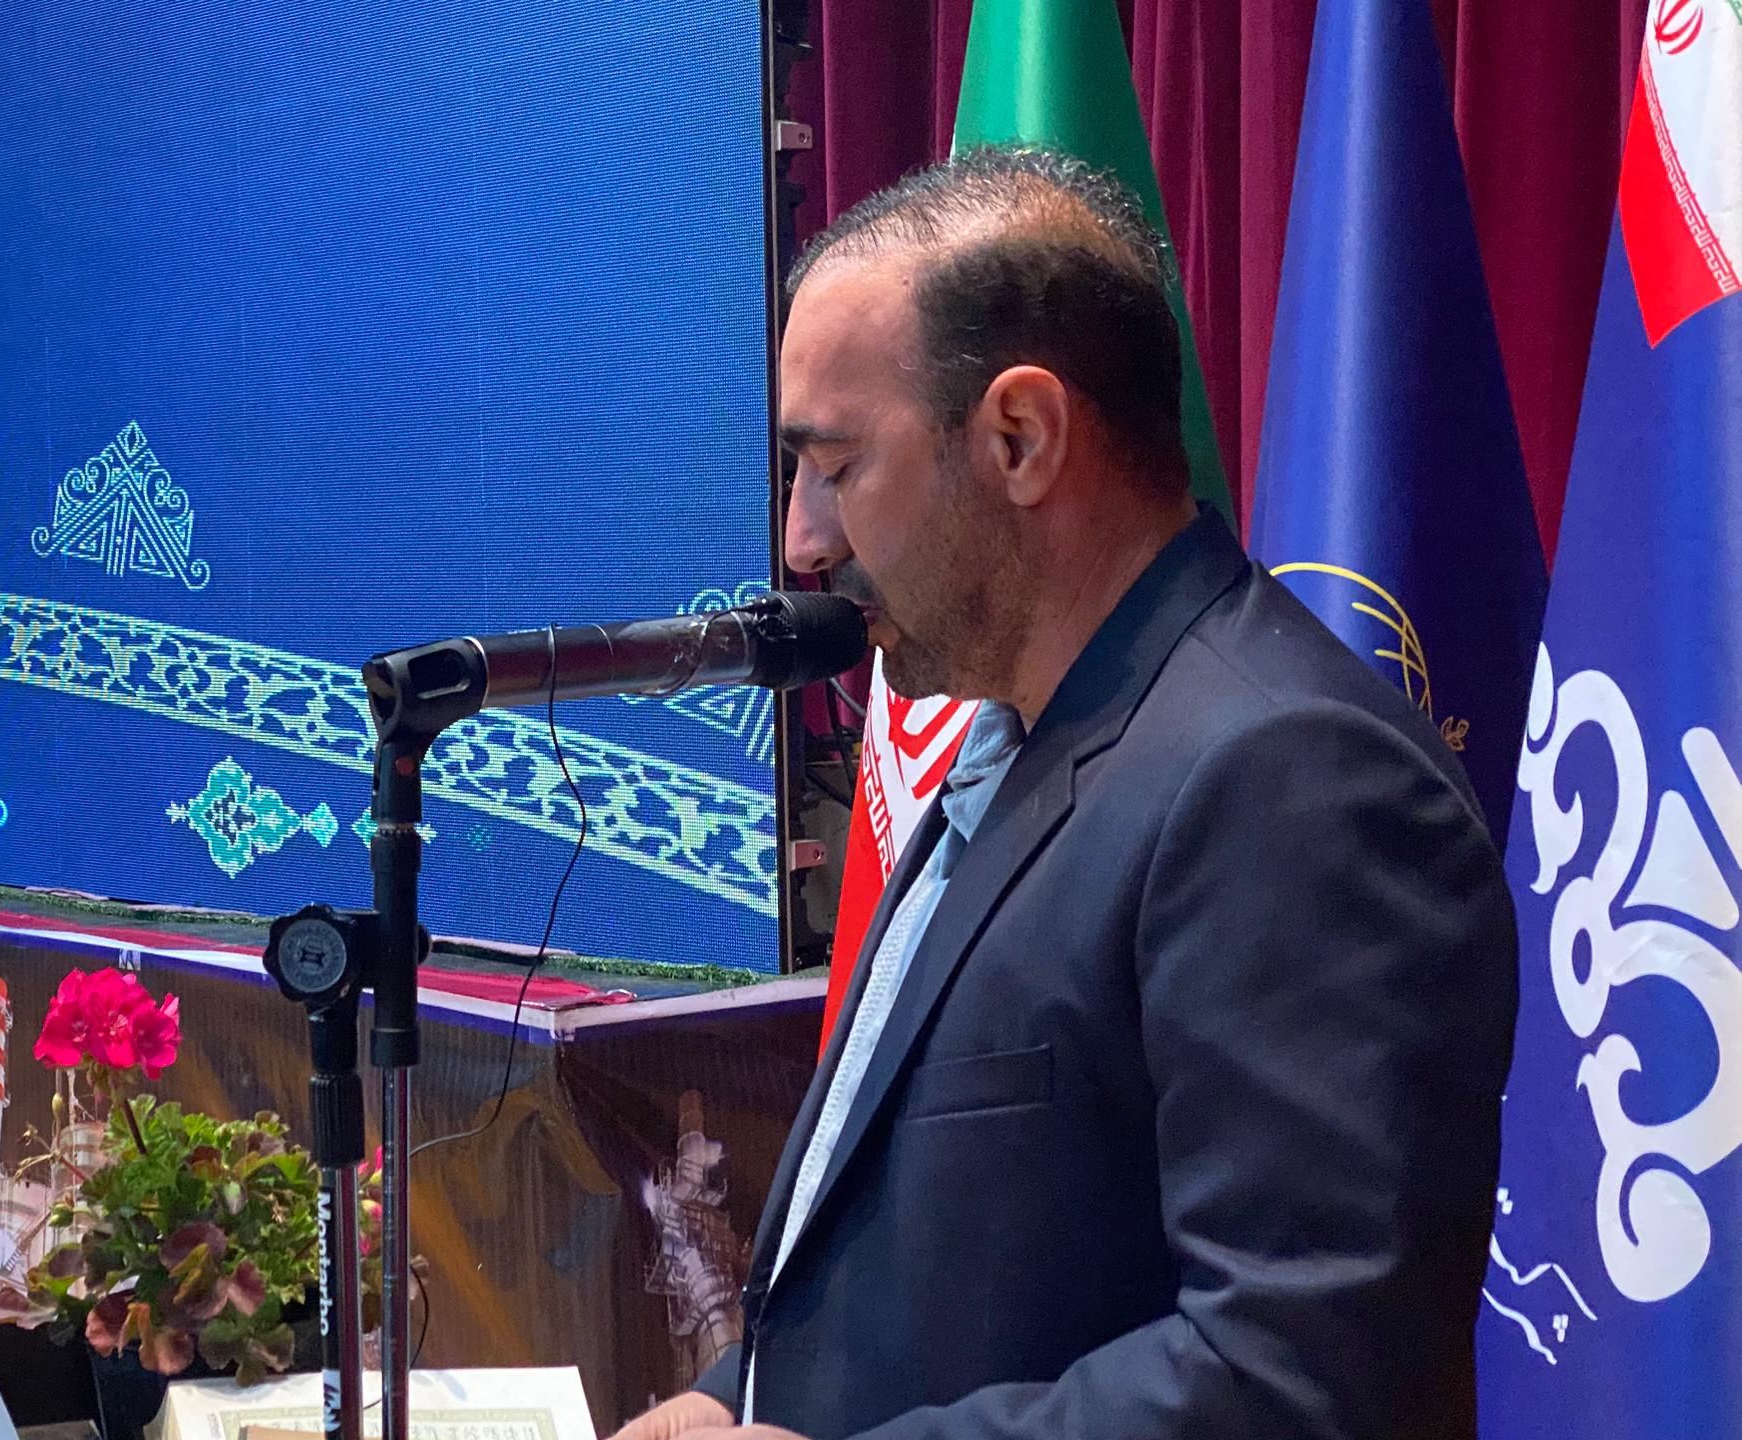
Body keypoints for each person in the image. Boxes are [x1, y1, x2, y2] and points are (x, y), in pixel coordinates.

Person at [611, 146, 1518, 1440]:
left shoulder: (1289, 780)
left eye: (836, 467)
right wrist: (730, 1397)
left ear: (1021, 439)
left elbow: (1305, 1378)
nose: (803, 541)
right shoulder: (1029, 733)